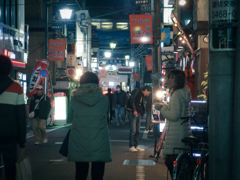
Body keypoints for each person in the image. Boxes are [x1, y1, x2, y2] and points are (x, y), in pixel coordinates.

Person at [68, 72, 112, 180]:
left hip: (79, 138)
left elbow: (70, 116)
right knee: (98, 174)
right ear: (97, 83)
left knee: (80, 173)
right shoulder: (104, 99)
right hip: (99, 138)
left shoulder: (74, 99)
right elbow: (106, 115)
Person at [155, 69, 192, 178]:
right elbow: (178, 111)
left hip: (177, 134)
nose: (168, 80)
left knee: (171, 162)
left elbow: (174, 116)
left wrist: (162, 108)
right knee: (180, 165)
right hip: (183, 130)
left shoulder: (176, 94)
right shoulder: (184, 91)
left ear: (178, 80)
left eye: (171, 78)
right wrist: (166, 106)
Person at [0, 55, 26, 180]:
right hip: (10, 135)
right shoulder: (16, 88)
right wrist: (22, 141)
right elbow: (21, 117)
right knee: (10, 167)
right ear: (10, 69)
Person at [127, 86, 152, 152]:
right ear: (146, 90)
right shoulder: (136, 91)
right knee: (133, 130)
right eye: (148, 92)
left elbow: (141, 104)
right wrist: (134, 110)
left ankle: (135, 145)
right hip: (133, 112)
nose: (148, 94)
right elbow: (132, 100)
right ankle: (131, 146)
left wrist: (142, 112)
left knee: (137, 130)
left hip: (138, 113)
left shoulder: (141, 95)